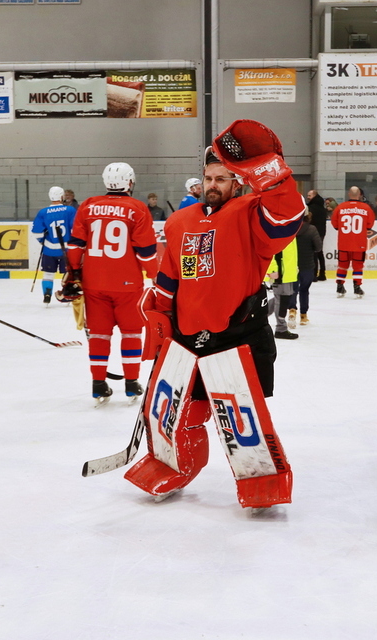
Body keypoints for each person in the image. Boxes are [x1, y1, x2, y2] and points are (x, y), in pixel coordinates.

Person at [124, 119, 305, 510]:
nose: (213, 185)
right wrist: (160, 315)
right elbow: (170, 276)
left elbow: (286, 219)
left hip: (238, 335)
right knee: (181, 414)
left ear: (237, 183)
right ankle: (177, 467)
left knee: (241, 419)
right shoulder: (179, 221)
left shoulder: (251, 213)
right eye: (208, 178)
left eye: (222, 178)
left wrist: (271, 174)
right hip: (189, 336)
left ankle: (261, 479)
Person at [63, 162, 158, 403]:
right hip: (128, 285)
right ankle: (131, 383)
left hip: (94, 283)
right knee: (131, 333)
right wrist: (156, 276)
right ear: (130, 182)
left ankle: (98, 384)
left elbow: (75, 245)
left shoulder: (88, 205)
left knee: (99, 335)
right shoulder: (137, 208)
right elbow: (146, 251)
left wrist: (74, 273)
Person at [31, 186, 77, 304]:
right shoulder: (70, 210)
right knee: (68, 273)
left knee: (48, 274)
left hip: (49, 249)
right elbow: (75, 229)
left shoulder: (43, 212)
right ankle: (66, 295)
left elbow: (37, 232)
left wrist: (44, 242)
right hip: (66, 249)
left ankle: (47, 296)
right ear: (61, 196)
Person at [331, 186, 375, 298]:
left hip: (343, 243)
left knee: (342, 265)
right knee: (358, 266)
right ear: (359, 195)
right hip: (359, 244)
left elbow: (335, 224)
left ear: (349, 194)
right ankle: (357, 287)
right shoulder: (366, 208)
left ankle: (339, 286)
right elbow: (369, 225)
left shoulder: (340, 207)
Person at [294, 210, 322, 325]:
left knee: (293, 289)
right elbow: (318, 247)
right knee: (304, 290)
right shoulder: (312, 229)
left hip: (292, 265)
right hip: (307, 265)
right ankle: (303, 315)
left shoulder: (290, 229)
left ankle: (292, 310)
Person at [267, 238, 299, 339]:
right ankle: (281, 329)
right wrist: (272, 270)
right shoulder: (279, 232)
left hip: (287, 273)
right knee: (282, 300)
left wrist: (294, 268)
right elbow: (270, 251)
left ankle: (258, 317)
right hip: (280, 274)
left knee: (281, 299)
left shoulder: (289, 232)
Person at [306, 189, 328, 281]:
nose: (308, 197)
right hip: (321, 232)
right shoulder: (322, 207)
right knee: (319, 252)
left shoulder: (311, 208)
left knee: (314, 253)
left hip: (313, 232)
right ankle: (322, 273)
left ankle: (314, 274)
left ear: (314, 196)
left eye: (309, 195)